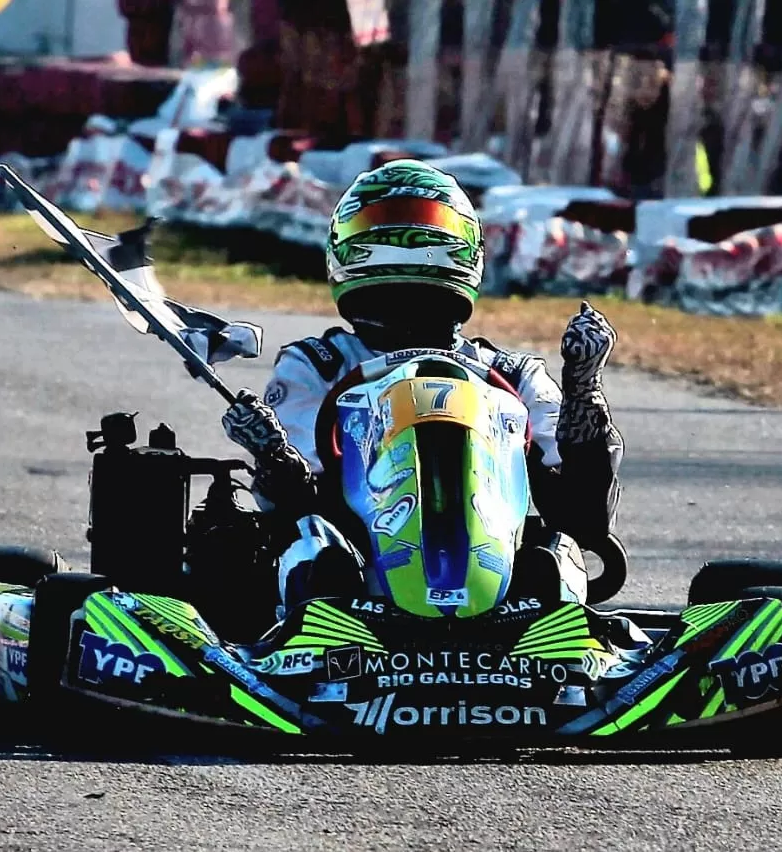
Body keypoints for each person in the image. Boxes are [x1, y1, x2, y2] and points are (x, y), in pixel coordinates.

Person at [220, 159, 624, 611]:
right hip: (358, 578)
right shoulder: (316, 366)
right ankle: (315, 644)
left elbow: (584, 514)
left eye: (426, 230)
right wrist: (273, 453)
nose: (406, 245)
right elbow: (294, 502)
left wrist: (581, 387)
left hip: (496, 578)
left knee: (556, 548)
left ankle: (553, 646)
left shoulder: (511, 374)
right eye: (385, 229)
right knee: (316, 544)